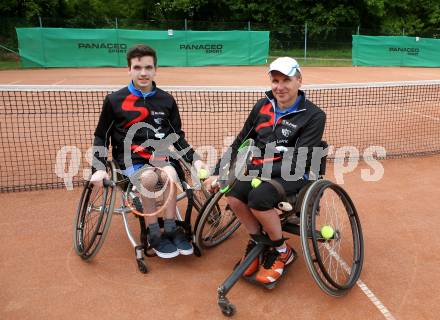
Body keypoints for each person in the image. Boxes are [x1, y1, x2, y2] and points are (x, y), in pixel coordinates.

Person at [204, 57, 326, 284]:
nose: (280, 87)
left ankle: (282, 251)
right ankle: (258, 240)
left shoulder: (314, 115)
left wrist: (254, 169)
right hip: (258, 169)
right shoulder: (262, 107)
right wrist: (219, 171)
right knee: (233, 194)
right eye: (275, 80)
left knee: (259, 198)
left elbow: (298, 162)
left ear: (299, 80)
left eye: (286, 80)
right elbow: (240, 141)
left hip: (294, 173)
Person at [89, 44, 206, 259]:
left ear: (155, 69)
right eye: (137, 67)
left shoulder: (166, 100)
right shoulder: (114, 100)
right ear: (129, 69)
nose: (143, 73)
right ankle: (154, 233)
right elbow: (101, 137)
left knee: (171, 174)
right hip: (129, 161)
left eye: (148, 67)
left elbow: (176, 136)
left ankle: (170, 229)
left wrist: (196, 161)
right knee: (149, 179)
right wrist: (97, 168)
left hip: (161, 157)